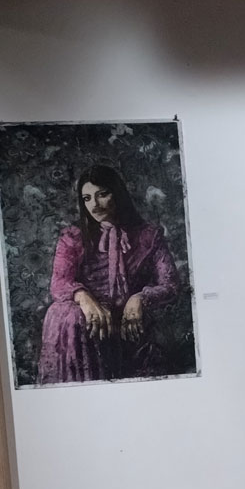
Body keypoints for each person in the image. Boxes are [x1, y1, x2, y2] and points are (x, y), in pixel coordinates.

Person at [38, 164, 179, 384]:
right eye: (87, 198)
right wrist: (84, 297)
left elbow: (171, 284)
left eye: (102, 194)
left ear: (118, 193)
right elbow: (59, 283)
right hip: (88, 321)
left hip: (129, 320)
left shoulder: (148, 236)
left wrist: (140, 298)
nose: (94, 205)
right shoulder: (73, 237)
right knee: (67, 314)